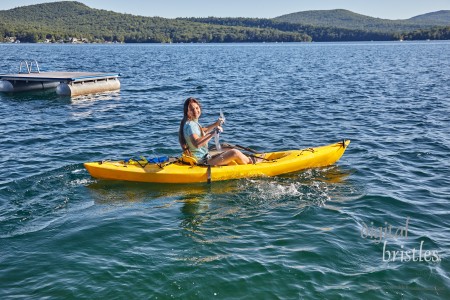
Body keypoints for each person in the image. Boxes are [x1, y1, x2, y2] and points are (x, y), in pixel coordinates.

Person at [178, 97, 258, 166]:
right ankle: (252, 162)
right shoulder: (191, 125)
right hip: (203, 160)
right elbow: (197, 144)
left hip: (203, 156)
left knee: (227, 147)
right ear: (187, 112)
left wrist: (215, 124)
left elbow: (201, 131)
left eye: (196, 108)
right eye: (191, 109)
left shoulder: (190, 123)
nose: (195, 111)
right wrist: (214, 133)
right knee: (234, 152)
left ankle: (244, 160)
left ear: (200, 108)